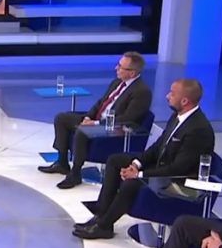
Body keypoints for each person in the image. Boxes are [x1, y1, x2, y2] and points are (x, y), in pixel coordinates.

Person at [74, 78, 215, 240]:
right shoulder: (177, 116)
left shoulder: (198, 129)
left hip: (178, 180)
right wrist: (136, 164)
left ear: (184, 101)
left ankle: (104, 227)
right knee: (115, 161)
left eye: (172, 93)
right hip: (163, 166)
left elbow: (178, 168)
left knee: (132, 183)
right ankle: (100, 216)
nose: (167, 96)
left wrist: (139, 174)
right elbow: (158, 147)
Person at [39, 52, 153, 189]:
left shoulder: (142, 91)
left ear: (132, 73)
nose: (116, 68)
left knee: (82, 131)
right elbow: (101, 103)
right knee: (62, 118)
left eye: (120, 66)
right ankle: (62, 162)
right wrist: (88, 117)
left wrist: (96, 124)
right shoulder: (117, 82)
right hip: (97, 120)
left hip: (113, 128)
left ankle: (75, 173)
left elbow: (128, 118)